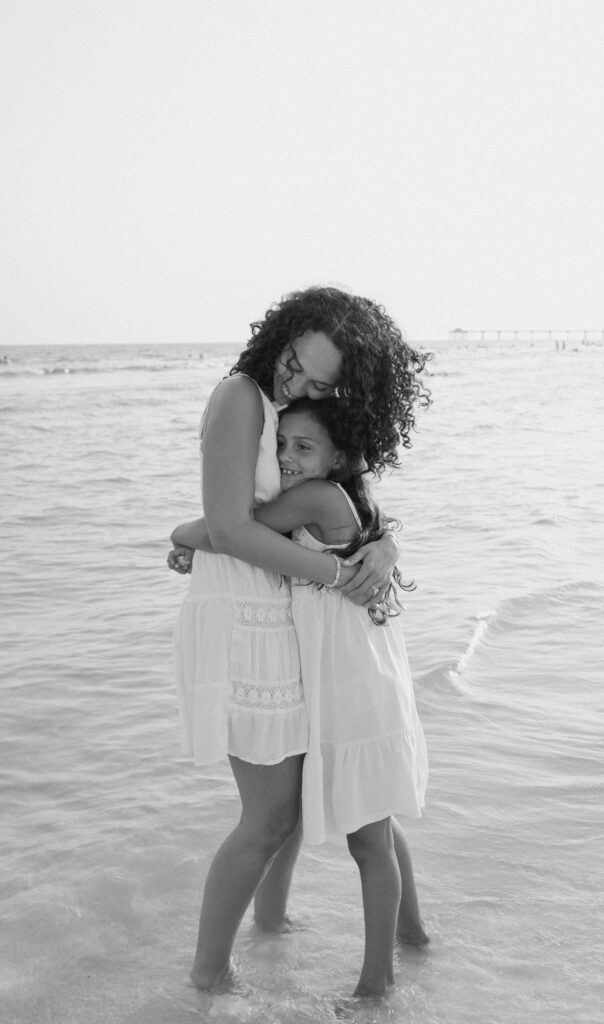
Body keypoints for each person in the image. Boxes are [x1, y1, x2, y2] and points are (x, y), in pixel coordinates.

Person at [169, 286, 430, 993]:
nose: (298, 385)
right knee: (271, 815)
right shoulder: (240, 398)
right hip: (249, 623)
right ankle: (211, 976)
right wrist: (334, 571)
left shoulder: (289, 415)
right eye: (293, 363)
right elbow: (229, 527)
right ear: (279, 335)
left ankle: (272, 935)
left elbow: (336, 505)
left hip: (289, 626)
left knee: (296, 811)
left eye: (319, 383)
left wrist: (380, 554)